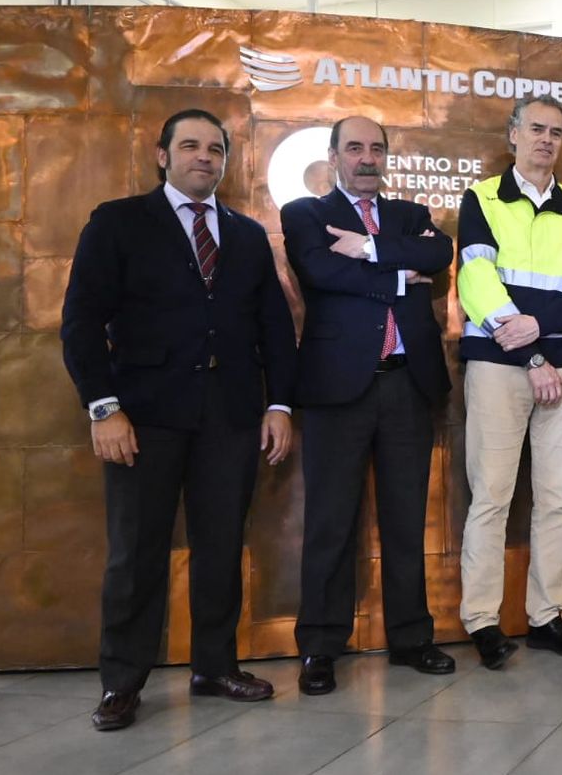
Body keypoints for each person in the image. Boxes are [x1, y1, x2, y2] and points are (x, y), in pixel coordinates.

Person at [60, 109, 296, 731]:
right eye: (190, 146)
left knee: (220, 549)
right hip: (143, 419)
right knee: (136, 555)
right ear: (162, 155)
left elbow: (273, 324)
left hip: (231, 418)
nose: (204, 157)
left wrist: (279, 404)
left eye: (215, 150)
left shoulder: (245, 235)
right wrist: (103, 407)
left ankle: (215, 667)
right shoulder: (118, 223)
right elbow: (82, 322)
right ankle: (122, 684)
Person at [281, 116, 456, 694]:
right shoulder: (306, 215)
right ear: (333, 156)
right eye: (354, 148)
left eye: (376, 148)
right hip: (337, 391)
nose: (366, 158)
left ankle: (412, 638)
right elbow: (322, 271)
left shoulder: (408, 214)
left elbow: (440, 253)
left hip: (407, 386)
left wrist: (373, 249)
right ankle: (320, 647)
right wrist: (400, 278)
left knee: (407, 521)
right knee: (331, 522)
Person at [455, 95, 562, 668]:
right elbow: (476, 279)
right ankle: (483, 621)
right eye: (536, 129)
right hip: (501, 364)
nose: (546, 139)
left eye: (556, 132)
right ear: (513, 135)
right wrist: (533, 357)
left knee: (556, 499)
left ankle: (546, 617)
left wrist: (541, 332)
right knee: (491, 497)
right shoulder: (483, 198)